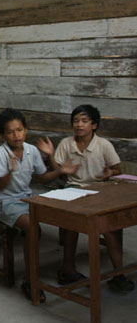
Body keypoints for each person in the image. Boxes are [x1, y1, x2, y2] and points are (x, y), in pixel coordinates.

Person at [0, 108, 79, 302]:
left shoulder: (31, 150)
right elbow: (1, 185)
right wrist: (9, 171)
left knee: (68, 218)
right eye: (10, 132)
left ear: (26, 130)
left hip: (27, 199)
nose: (16, 135)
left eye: (20, 130)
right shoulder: (0, 154)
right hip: (5, 203)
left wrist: (60, 170)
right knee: (33, 228)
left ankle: (68, 268)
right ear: (3, 135)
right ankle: (30, 280)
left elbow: (41, 178)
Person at [54, 104, 134, 292]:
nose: (79, 125)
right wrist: (61, 171)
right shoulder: (66, 143)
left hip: (99, 190)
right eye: (75, 121)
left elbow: (117, 169)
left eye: (84, 121)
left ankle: (118, 273)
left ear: (94, 125)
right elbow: (57, 170)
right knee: (71, 224)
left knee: (111, 226)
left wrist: (109, 173)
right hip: (74, 190)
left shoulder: (104, 145)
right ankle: (68, 269)